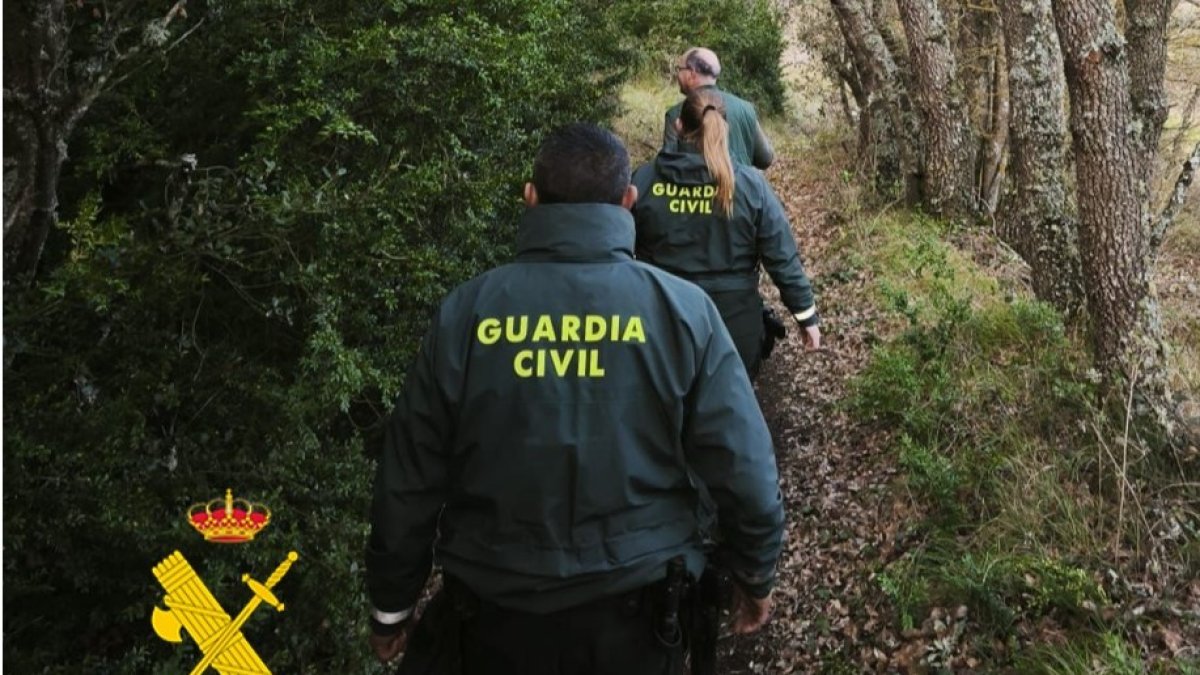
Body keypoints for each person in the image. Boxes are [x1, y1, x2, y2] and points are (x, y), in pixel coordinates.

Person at [366, 123, 785, 675]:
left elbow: (410, 474)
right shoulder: (682, 310)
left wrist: (391, 607)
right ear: (628, 201)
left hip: (492, 621)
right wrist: (755, 574)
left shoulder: (467, 313)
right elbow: (741, 462)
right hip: (638, 620)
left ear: (531, 198)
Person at [634, 89, 820, 380]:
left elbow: (616, 247)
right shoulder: (749, 185)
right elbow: (780, 254)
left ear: (678, 127)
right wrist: (805, 315)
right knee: (730, 414)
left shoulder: (643, 180)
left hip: (661, 317)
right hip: (734, 323)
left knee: (665, 415)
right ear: (726, 128)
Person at [662, 47, 775, 170]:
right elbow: (765, 158)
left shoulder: (676, 114)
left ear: (691, 74)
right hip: (741, 188)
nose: (677, 74)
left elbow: (668, 166)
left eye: (679, 69)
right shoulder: (746, 109)